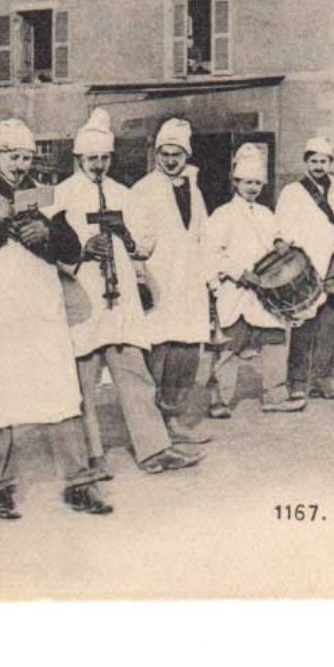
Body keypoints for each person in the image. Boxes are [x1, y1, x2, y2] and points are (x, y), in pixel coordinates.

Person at [0, 118, 112, 520]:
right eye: (12, 156)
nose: (20, 165)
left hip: (40, 307)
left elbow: (71, 249)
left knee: (59, 390)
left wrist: (48, 234)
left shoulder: (45, 194)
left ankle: (78, 482)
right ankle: (1, 487)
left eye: (25, 156)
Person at [56, 109, 198, 477]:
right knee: (83, 384)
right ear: (78, 159)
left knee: (135, 377)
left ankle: (154, 450)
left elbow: (145, 245)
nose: (99, 165)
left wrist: (128, 238)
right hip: (84, 301)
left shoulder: (123, 193)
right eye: (92, 159)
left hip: (121, 307)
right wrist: (83, 250)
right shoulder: (62, 195)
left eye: (104, 158)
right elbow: (51, 250)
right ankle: (90, 457)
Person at [127, 117, 212, 445]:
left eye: (177, 153)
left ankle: (174, 418)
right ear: (156, 153)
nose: (171, 159)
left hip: (189, 283)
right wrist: (140, 271)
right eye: (165, 152)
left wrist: (208, 278)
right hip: (159, 282)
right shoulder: (143, 190)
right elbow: (138, 242)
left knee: (187, 354)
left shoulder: (194, 188)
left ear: (187, 154)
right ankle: (152, 427)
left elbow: (202, 233)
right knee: (159, 353)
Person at [204, 144, 300, 413]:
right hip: (235, 290)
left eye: (258, 183)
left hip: (264, 292)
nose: (253, 188)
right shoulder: (223, 214)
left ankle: (275, 394)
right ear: (235, 182)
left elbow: (276, 240)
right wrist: (239, 272)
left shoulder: (267, 214)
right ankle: (219, 400)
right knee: (229, 345)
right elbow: (211, 253)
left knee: (275, 338)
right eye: (247, 182)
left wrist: (281, 242)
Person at [279, 136, 334, 400]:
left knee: (329, 325)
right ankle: (296, 381)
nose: (318, 165)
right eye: (314, 160)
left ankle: (321, 378)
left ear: (330, 163)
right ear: (306, 162)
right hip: (307, 266)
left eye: (323, 161)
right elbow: (282, 225)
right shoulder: (292, 192)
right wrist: (283, 243)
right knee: (304, 324)